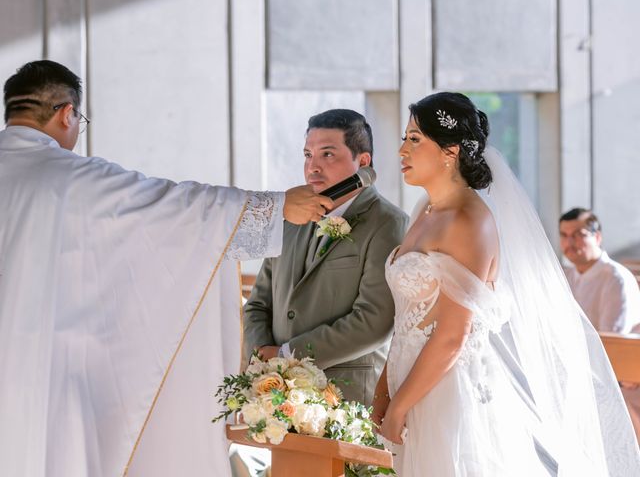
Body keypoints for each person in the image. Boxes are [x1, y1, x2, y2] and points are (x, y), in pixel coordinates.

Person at [0, 60, 333, 477]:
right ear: (67, 113)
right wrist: (276, 206)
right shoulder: (71, 178)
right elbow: (170, 206)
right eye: (79, 120)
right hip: (47, 375)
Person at [373, 92, 640, 475]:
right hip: (409, 381)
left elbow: (453, 333)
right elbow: (406, 321)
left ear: (450, 151)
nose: (401, 149)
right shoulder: (425, 212)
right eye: (404, 137)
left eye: (414, 139)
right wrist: (385, 391)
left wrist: (399, 405)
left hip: (449, 392)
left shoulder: (470, 219)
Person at [243, 109, 407, 404]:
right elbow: (257, 304)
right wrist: (262, 359)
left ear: (363, 161)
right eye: (308, 155)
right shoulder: (290, 218)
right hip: (276, 397)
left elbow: (375, 321)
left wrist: (287, 355)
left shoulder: (388, 224)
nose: (312, 167)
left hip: (345, 398)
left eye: (327, 155)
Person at [559, 207, 640, 333]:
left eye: (578, 234)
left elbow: (611, 340)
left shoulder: (616, 279)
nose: (569, 242)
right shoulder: (564, 276)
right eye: (564, 235)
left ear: (597, 237)